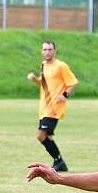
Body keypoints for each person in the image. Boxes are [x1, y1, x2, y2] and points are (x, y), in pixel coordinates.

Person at [27, 40, 78, 172]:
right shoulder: (43, 65)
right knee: (47, 136)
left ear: (54, 51)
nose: (47, 52)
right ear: (42, 51)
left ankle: (59, 161)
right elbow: (44, 84)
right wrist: (35, 79)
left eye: (50, 49)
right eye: (45, 49)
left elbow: (73, 82)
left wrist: (65, 95)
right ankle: (59, 162)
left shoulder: (61, 66)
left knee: (40, 135)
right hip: (44, 107)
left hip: (54, 108)